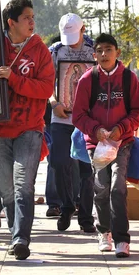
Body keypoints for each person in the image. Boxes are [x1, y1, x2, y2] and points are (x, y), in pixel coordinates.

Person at [0, 0, 55, 260]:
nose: (32, 21)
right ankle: (14, 235)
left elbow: (45, 89)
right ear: (11, 22)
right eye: (26, 18)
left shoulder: (40, 50)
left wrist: (15, 79)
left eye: (33, 17)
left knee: (24, 186)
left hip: (30, 128)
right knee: (7, 189)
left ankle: (21, 239)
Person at [72, 33, 139, 259]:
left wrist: (120, 129)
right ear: (94, 55)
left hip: (122, 142)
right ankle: (104, 233)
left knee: (117, 187)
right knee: (101, 187)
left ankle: (122, 239)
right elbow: (78, 116)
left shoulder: (129, 79)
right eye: (100, 51)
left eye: (109, 50)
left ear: (117, 52)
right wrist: (97, 131)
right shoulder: (87, 80)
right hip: (97, 144)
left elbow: (138, 112)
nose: (104, 54)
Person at [48, 13, 96, 233]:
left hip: (88, 119)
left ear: (83, 29)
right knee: (59, 162)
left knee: (87, 168)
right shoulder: (55, 51)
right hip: (61, 116)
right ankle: (67, 204)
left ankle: (86, 216)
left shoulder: (95, 50)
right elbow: (47, 81)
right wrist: (54, 102)